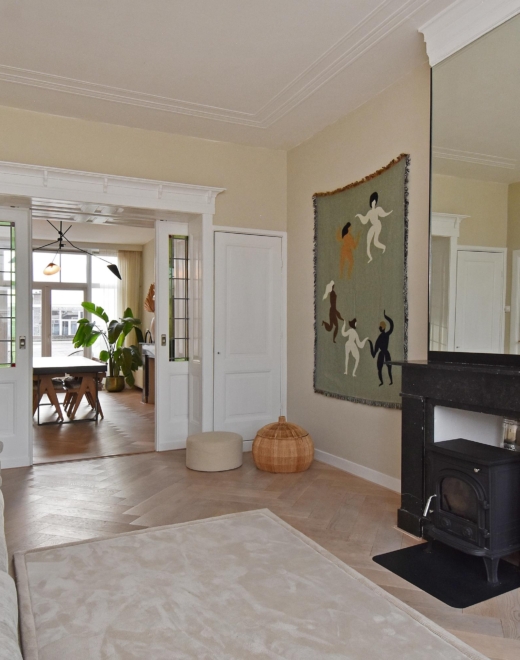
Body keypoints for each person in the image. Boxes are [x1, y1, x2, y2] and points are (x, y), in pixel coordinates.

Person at [355, 192, 393, 263]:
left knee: (375, 242)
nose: (374, 203)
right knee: (368, 242)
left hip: (377, 225)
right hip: (373, 226)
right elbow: (364, 220)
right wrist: (359, 215)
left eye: (375, 202)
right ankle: (370, 258)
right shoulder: (369, 212)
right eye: (372, 201)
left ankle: (384, 247)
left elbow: (383, 214)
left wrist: (390, 212)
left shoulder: (378, 209)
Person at [368, 311, 394, 386]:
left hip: (384, 353)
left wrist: (386, 317)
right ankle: (383, 382)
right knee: (381, 369)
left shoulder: (382, 337)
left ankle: (390, 381)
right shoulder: (382, 337)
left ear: (382, 328)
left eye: (380, 327)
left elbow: (391, 325)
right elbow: (374, 354)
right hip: (383, 353)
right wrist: (370, 344)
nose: (379, 328)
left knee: (388, 367)